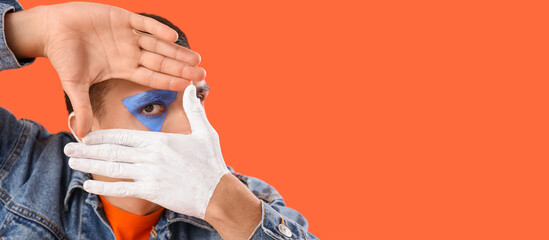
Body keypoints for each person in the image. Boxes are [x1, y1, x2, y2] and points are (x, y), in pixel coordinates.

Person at [0, 1, 318, 239]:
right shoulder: (19, 165)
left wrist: (226, 205)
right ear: (84, 127)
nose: (190, 128)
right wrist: (33, 29)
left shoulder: (249, 201)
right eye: (151, 107)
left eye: (197, 100)